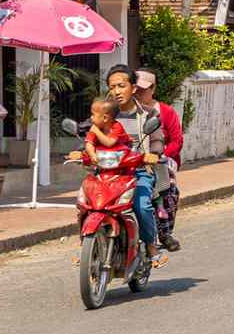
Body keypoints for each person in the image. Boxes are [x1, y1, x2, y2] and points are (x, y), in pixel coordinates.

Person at [69, 65, 164, 267]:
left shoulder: (147, 114)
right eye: (113, 87)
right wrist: (80, 150)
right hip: (105, 172)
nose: (117, 91)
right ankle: (86, 246)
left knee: (142, 205)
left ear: (133, 87)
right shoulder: (104, 113)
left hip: (137, 171)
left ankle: (151, 247)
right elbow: (88, 135)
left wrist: (153, 154)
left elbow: (156, 140)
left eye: (122, 85)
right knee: (85, 204)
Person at [134, 69, 184, 252]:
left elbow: (177, 141)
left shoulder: (165, 111)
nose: (139, 93)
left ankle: (164, 233)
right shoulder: (125, 110)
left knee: (168, 187)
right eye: (136, 89)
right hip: (132, 158)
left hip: (162, 158)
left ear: (153, 89)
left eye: (143, 89)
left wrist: (159, 156)